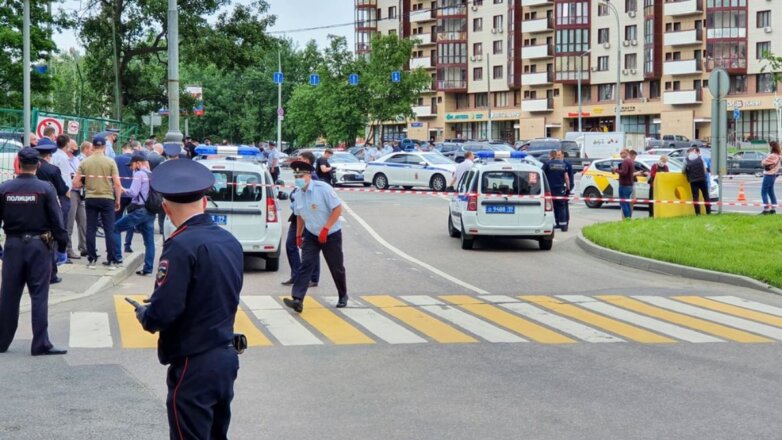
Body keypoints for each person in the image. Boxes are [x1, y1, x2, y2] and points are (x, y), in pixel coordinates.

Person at [132, 158, 243, 439]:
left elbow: (164, 312)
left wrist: (146, 314)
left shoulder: (180, 245)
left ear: (167, 210)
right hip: (225, 357)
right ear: (204, 202)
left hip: (194, 363)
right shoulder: (229, 240)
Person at [0, 148, 69, 356]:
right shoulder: (45, 189)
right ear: (38, 165)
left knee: (8, 295)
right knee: (39, 295)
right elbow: (57, 221)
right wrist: (62, 247)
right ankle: (40, 343)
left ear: (18, 163)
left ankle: (2, 341)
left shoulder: (5, 188)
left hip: (13, 246)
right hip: (39, 247)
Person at [283, 160, 347, 313]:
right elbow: (299, 216)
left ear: (309, 175)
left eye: (301, 175)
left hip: (330, 234)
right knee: (306, 265)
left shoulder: (323, 188)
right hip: (311, 235)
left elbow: (337, 209)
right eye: (296, 175)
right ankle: (297, 299)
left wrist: (326, 228)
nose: (298, 178)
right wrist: (298, 235)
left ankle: (343, 295)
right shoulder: (297, 194)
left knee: (336, 266)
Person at [72, 136, 124, 268]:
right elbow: (117, 183)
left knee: (91, 228)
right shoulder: (110, 162)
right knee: (109, 229)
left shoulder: (84, 162)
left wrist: (85, 184)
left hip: (90, 198)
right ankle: (111, 259)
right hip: (107, 198)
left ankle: (92, 259)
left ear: (93, 147)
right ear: (105, 147)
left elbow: (75, 183)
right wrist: (118, 199)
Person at [114, 151, 156, 276]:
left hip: (139, 210)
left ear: (137, 163)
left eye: (131, 165)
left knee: (115, 228)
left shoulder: (139, 174)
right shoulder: (151, 174)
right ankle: (148, 269)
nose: (130, 168)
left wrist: (122, 190)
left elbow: (133, 192)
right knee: (149, 242)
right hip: (150, 210)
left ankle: (117, 257)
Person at [282, 154, 320, 288]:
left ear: (309, 162)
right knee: (290, 245)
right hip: (297, 216)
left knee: (311, 248)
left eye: (302, 159)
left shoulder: (312, 177)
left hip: (308, 217)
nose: (299, 161)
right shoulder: (299, 175)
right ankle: (296, 274)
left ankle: (313, 278)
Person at [34, 138, 69, 282]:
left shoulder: (33, 167)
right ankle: (51, 274)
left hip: (33, 208)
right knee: (50, 240)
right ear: (49, 155)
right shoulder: (53, 169)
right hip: (50, 207)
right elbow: (62, 189)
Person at [66, 140, 88, 259]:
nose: (76, 148)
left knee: (83, 220)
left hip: (80, 192)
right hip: (71, 192)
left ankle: (84, 247)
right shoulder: (64, 159)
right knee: (69, 223)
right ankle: (68, 249)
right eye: (74, 146)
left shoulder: (76, 160)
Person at [542, 151, 571, 231]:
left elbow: (541, 174)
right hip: (560, 189)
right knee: (561, 206)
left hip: (550, 189)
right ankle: (563, 225)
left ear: (551, 155)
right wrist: (568, 188)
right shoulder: (563, 164)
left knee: (553, 207)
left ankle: (557, 223)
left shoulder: (547, 164)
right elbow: (567, 178)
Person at [115, 143, 135, 253]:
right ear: (132, 149)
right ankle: (127, 245)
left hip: (120, 192)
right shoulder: (135, 159)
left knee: (116, 219)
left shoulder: (117, 159)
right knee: (131, 219)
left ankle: (115, 246)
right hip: (132, 193)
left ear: (124, 149)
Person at [683, 147, 711, 215]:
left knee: (695, 197)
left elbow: (683, 170)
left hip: (693, 181)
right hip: (702, 179)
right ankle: (708, 211)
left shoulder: (686, 160)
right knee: (706, 196)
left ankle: (697, 213)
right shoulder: (700, 158)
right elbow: (705, 170)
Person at [613, 149, 635, 220]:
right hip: (629, 185)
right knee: (627, 202)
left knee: (623, 203)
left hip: (624, 185)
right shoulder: (631, 161)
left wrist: (616, 170)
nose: (620, 155)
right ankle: (629, 218)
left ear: (626, 153)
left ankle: (627, 219)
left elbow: (624, 172)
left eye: (621, 153)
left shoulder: (625, 161)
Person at [761, 141, 781, 214]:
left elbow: (763, 162)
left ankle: (766, 209)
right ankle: (773, 208)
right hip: (773, 175)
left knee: (764, 192)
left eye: (770, 146)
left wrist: (764, 159)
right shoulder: (778, 155)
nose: (769, 147)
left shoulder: (772, 155)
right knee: (771, 191)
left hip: (768, 175)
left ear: (772, 147)